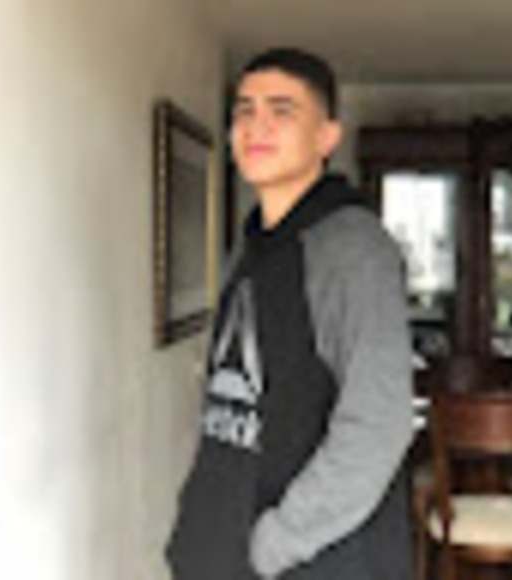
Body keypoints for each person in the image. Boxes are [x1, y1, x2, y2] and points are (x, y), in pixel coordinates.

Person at [166, 47, 414, 580]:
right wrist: (199, 523)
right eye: (244, 110)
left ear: (326, 137)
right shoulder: (250, 246)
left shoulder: (354, 248)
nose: (256, 125)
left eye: (282, 110)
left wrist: (273, 545)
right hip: (222, 548)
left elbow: (378, 426)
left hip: (312, 560)